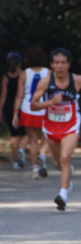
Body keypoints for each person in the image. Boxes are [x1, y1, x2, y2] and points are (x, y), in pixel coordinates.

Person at [30, 48, 81, 211]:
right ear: (51, 65)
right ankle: (68, 174)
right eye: (56, 63)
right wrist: (50, 102)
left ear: (68, 64)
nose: (60, 66)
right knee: (58, 163)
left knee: (65, 158)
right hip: (51, 127)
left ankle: (63, 195)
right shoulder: (45, 82)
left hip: (71, 125)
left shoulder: (77, 80)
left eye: (63, 62)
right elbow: (33, 105)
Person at [12, 46, 50, 179]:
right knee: (45, 139)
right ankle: (43, 156)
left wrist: (15, 113)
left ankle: (35, 169)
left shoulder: (24, 74)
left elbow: (19, 96)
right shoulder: (49, 73)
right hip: (44, 109)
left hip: (28, 109)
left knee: (32, 140)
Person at [0, 52, 28, 169]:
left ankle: (16, 160)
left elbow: (3, 95)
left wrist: (0, 110)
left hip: (8, 107)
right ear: (19, 62)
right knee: (26, 133)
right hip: (21, 106)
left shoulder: (6, 77)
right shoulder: (24, 75)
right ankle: (21, 149)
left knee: (14, 134)